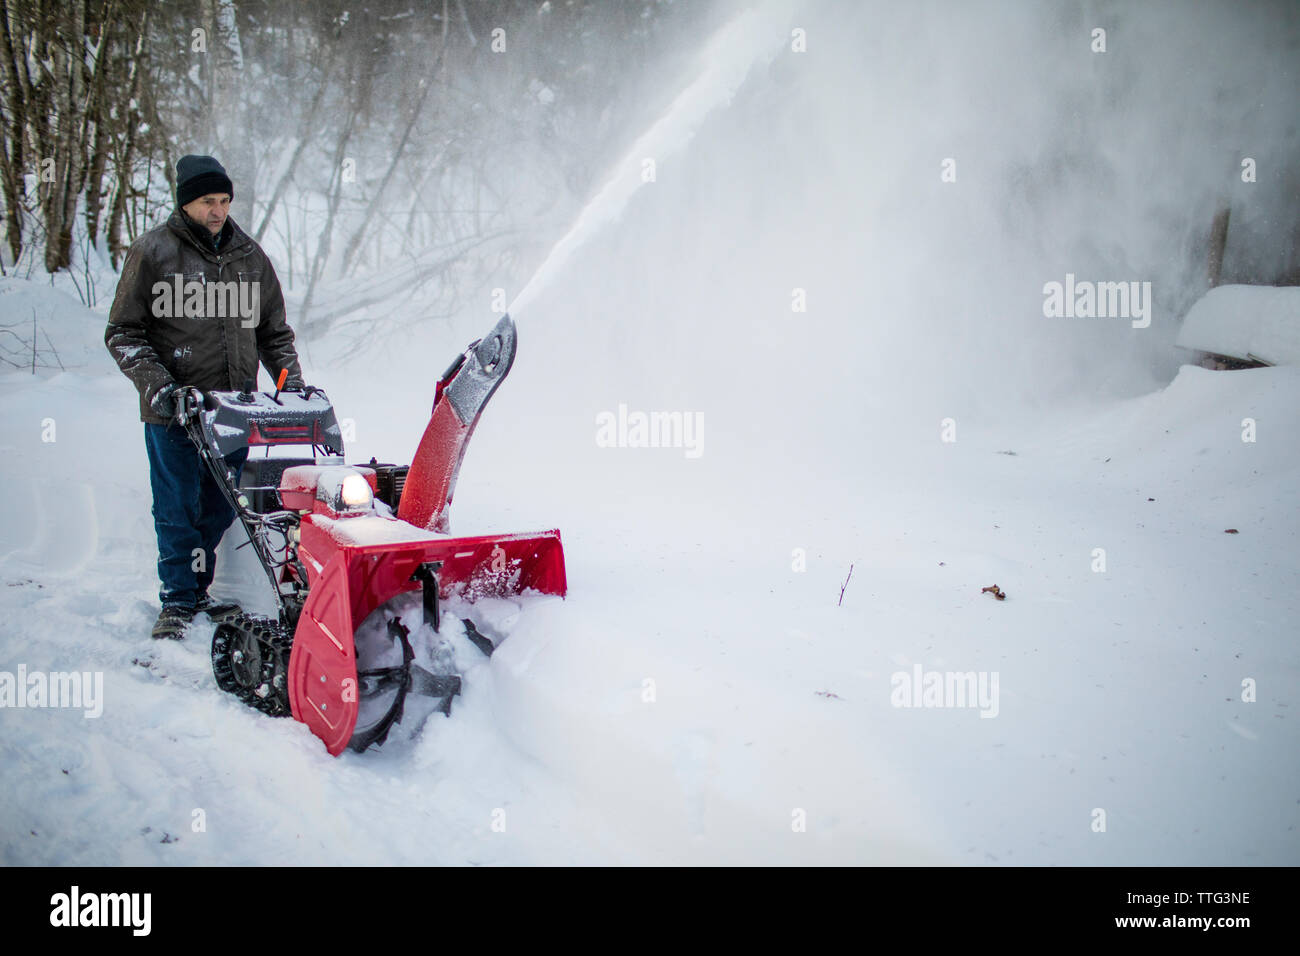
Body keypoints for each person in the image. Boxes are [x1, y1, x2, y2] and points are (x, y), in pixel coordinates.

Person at [105, 154, 308, 639]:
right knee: (177, 506)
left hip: (235, 412)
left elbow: (274, 335)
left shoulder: (249, 256)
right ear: (185, 204)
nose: (217, 211)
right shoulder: (153, 252)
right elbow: (123, 333)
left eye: (223, 200)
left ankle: (200, 590)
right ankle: (177, 601)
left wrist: (290, 386)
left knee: (222, 505)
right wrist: (161, 389)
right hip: (174, 411)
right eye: (206, 202)